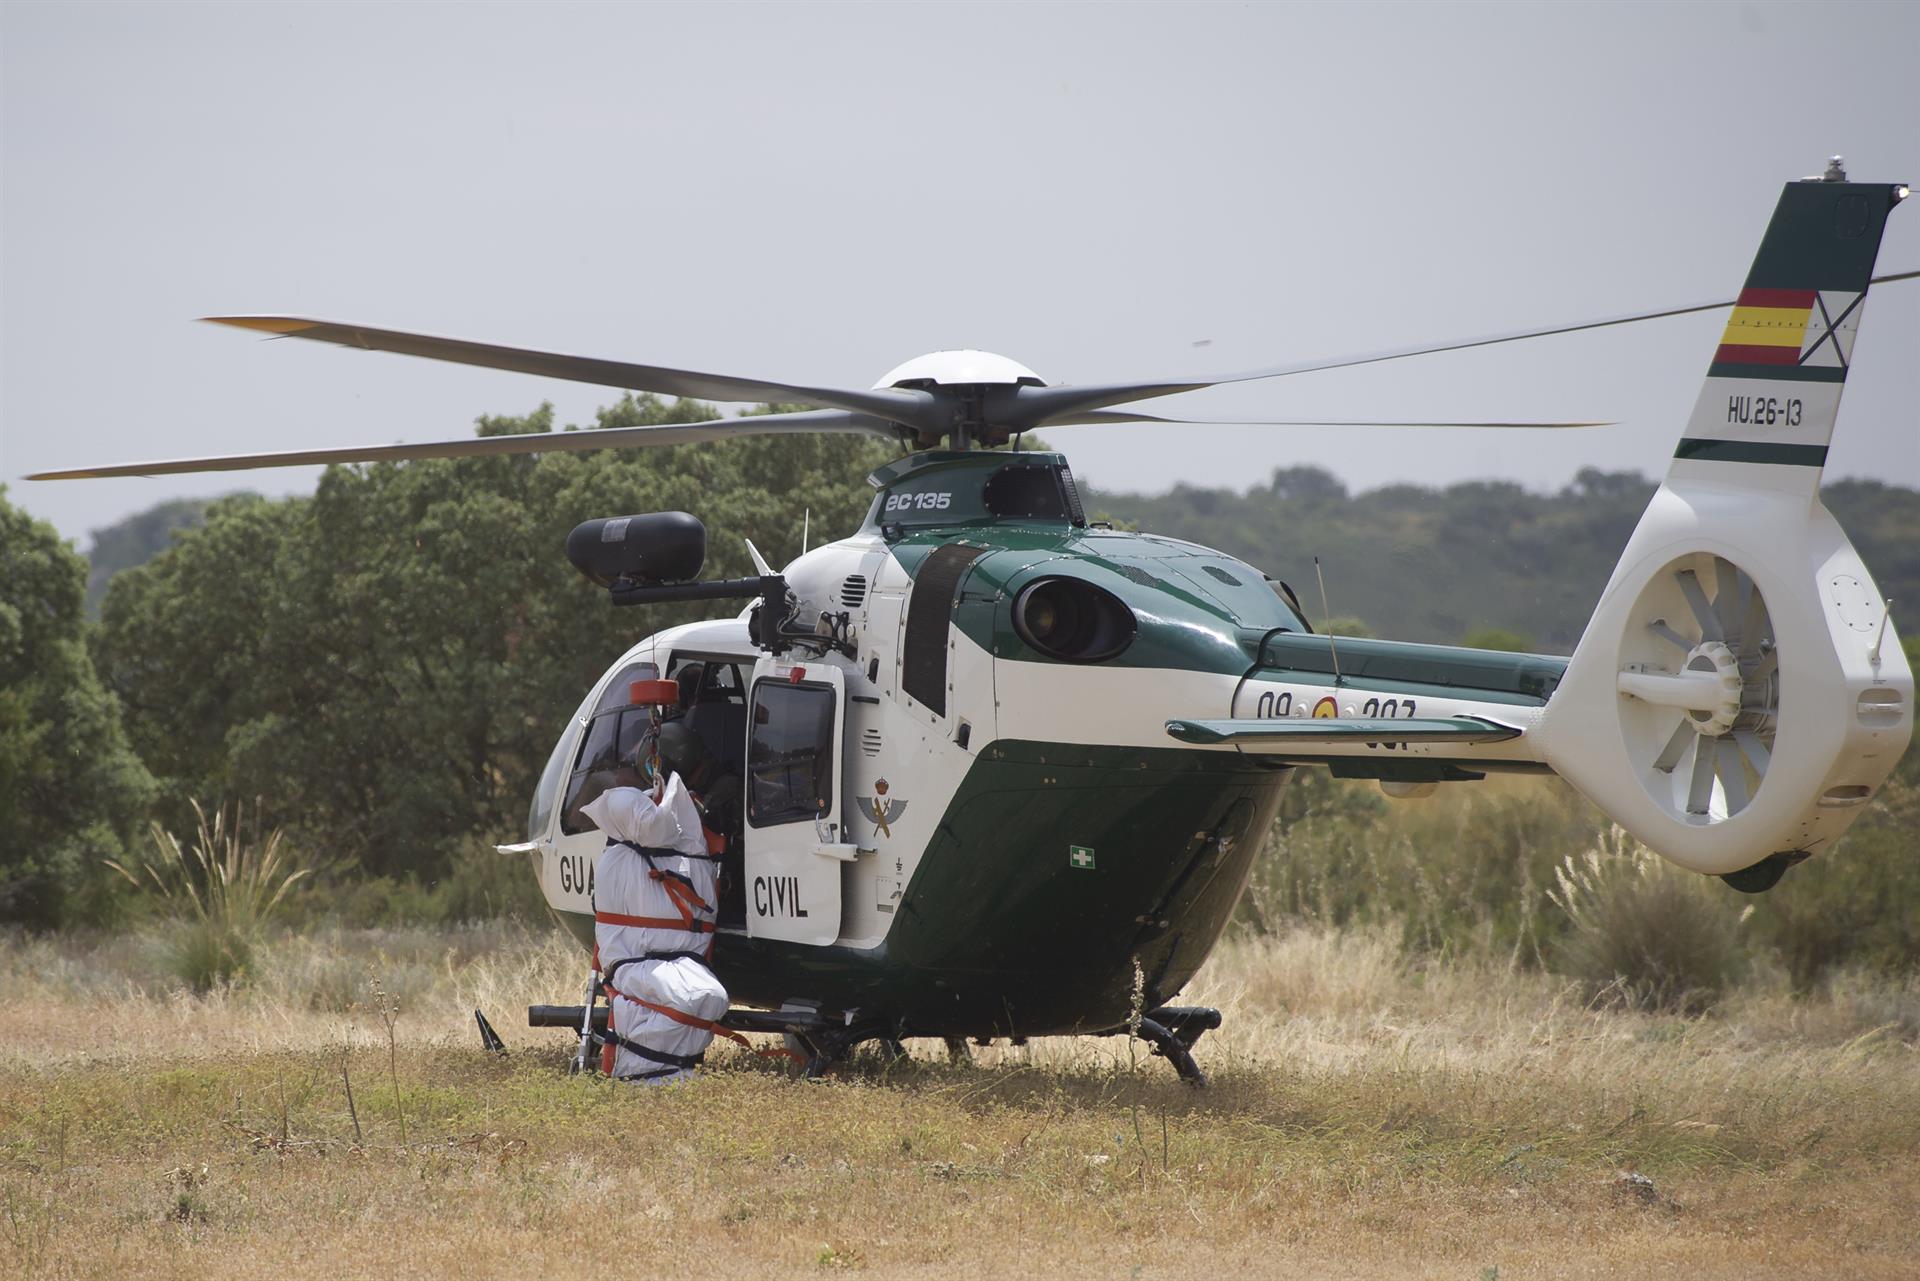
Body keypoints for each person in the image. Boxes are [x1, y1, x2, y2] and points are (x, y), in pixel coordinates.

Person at [579, 727, 728, 1084]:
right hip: (653, 962)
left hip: (656, 961)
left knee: (704, 996)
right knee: (705, 996)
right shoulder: (688, 833)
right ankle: (655, 1075)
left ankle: (656, 1074)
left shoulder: (628, 836)